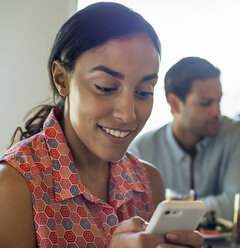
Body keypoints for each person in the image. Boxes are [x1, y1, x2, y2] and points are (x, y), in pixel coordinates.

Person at [0, 3, 202, 247]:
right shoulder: (13, 187)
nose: (127, 114)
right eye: (105, 87)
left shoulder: (148, 182)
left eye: (143, 92)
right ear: (61, 79)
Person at [129, 56, 240, 220]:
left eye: (219, 100)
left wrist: (169, 213)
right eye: (206, 103)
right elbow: (140, 219)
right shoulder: (140, 150)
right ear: (174, 104)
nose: (217, 111)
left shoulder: (237, 132)